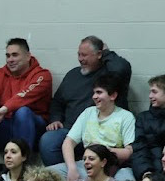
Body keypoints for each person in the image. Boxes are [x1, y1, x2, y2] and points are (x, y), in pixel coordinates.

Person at [40, 36, 133, 166]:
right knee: (49, 139)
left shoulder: (110, 74)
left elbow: (122, 68)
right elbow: (57, 102)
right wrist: (55, 119)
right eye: (79, 54)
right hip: (71, 131)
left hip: (101, 137)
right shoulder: (72, 75)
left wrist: (107, 53)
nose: (80, 59)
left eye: (85, 55)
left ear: (99, 54)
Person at [0, 38, 52, 180]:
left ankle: (23, 167)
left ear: (28, 56)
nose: (10, 59)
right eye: (7, 55)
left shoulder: (42, 75)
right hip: (6, 127)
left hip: (32, 131)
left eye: (15, 55)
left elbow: (24, 96)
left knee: (23, 112)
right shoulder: (0, 74)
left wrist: (4, 109)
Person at [56, 74, 136, 181]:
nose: (94, 96)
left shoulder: (126, 117)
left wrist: (103, 151)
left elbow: (128, 151)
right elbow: (68, 142)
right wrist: (72, 168)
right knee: (45, 176)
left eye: (99, 92)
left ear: (112, 95)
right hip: (87, 165)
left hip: (114, 166)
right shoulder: (88, 113)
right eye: (94, 93)